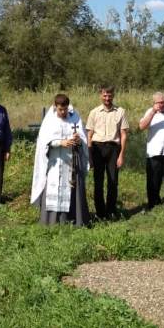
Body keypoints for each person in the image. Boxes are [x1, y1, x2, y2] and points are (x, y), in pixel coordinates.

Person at [31, 94, 90, 226]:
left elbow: (83, 137)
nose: (63, 112)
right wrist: (60, 142)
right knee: (53, 188)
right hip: (55, 161)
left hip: (72, 162)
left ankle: (75, 220)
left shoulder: (75, 117)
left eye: (65, 109)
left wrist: (78, 139)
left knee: (73, 188)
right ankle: (51, 222)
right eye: (60, 109)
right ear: (55, 107)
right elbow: (43, 141)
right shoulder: (50, 120)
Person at [85, 85, 129, 219]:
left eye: (109, 95)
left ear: (113, 95)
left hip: (113, 149)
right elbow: (89, 135)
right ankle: (100, 213)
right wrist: (89, 155)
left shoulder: (120, 111)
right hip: (97, 149)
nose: (107, 98)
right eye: (105, 95)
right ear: (100, 95)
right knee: (98, 181)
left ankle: (110, 211)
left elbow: (123, 135)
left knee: (113, 181)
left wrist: (121, 154)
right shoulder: (94, 112)